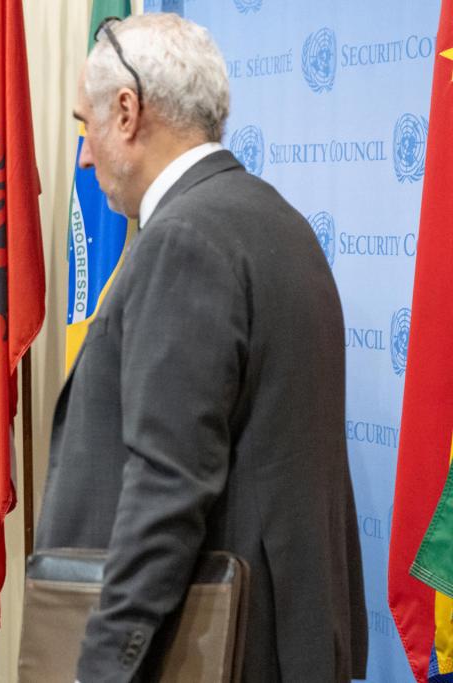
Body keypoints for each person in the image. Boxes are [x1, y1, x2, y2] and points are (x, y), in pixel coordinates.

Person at [34, 13, 367, 682]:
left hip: (217, 648)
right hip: (284, 636)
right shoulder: (275, 217)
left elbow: (167, 483)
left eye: (83, 126)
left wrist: (102, 665)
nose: (85, 154)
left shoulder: (185, 240)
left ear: (126, 111)